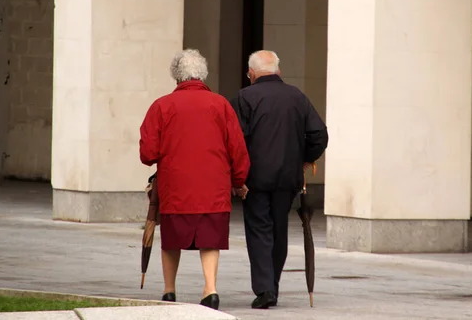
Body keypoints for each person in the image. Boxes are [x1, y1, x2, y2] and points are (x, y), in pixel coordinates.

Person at [139, 49, 250, 310]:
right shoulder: (220, 104)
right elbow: (237, 148)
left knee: (172, 237)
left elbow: (148, 153)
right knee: (210, 239)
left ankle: (169, 290)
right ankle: (210, 289)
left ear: (177, 77)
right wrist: (238, 179)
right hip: (214, 187)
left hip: (175, 186)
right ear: (203, 74)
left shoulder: (161, 106)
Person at [233, 50, 329, 309]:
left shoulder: (245, 97)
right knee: (279, 230)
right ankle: (271, 285)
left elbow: (236, 141)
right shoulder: (296, 95)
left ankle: (266, 288)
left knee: (259, 230)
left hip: (255, 178)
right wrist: (304, 158)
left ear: (251, 73)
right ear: (278, 71)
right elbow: (319, 135)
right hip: (288, 177)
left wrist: (236, 175)